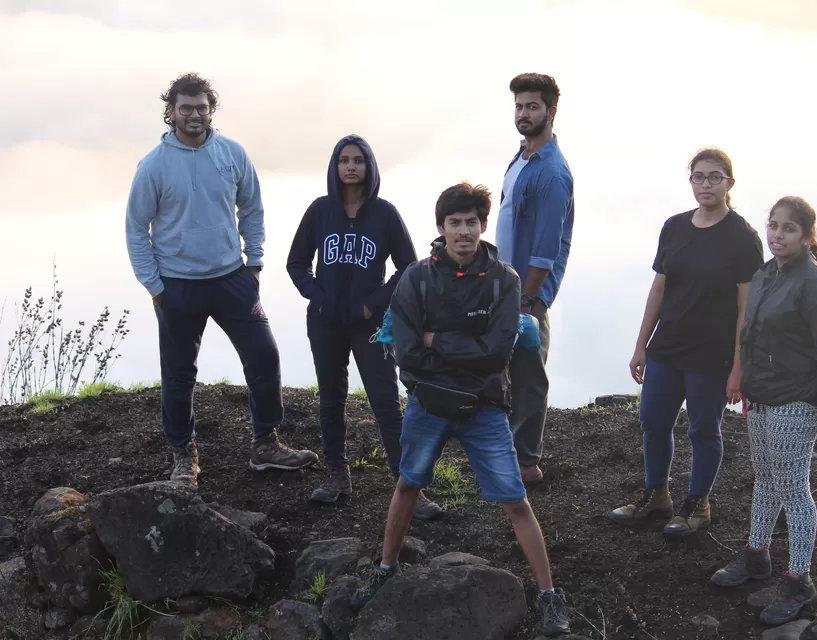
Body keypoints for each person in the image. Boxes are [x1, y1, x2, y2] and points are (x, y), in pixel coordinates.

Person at [350, 182, 570, 637]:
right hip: (428, 403)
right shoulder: (416, 278)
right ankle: (385, 568)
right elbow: (408, 353)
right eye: (455, 223)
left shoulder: (503, 281)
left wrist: (437, 341)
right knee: (407, 485)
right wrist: (459, 347)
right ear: (441, 227)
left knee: (515, 499)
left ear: (483, 226)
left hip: (484, 405)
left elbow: (496, 353)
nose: (464, 231)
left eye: (472, 222)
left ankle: (550, 596)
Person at [125, 73, 318, 485]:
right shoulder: (154, 165)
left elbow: (252, 208)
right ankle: (183, 454)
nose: (194, 115)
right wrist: (155, 286)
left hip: (233, 278)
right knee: (179, 376)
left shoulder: (231, 153)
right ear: (171, 112)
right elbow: (135, 228)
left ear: (210, 109)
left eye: (201, 107)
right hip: (177, 285)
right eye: (185, 108)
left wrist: (255, 263)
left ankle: (266, 444)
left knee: (264, 356)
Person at [710, 196, 817, 625]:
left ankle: (800, 580)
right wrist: (743, 382)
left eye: (788, 228)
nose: (777, 235)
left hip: (798, 399)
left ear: (808, 236)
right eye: (773, 226)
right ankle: (757, 554)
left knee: (793, 487)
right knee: (767, 475)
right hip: (764, 396)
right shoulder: (766, 274)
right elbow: (752, 336)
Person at [609, 147, 763, 536]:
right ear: (690, 180)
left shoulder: (743, 237)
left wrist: (738, 368)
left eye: (715, 177)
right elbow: (659, 289)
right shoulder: (674, 227)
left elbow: (747, 309)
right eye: (699, 176)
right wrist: (641, 344)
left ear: (730, 182)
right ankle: (656, 494)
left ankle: (698, 504)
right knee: (653, 422)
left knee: (703, 430)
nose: (706, 184)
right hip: (667, 347)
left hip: (710, 355)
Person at [286, 134, 442, 520]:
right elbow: (296, 263)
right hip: (325, 322)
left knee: (386, 400)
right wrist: (318, 296)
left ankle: (409, 486)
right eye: (344, 160)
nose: (351, 167)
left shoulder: (385, 214)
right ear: (335, 167)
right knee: (331, 397)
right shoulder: (320, 211)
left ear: (370, 167)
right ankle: (336, 474)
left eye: (359, 160)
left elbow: (409, 265)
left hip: (371, 325)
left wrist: (376, 301)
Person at [495, 72, 574, 485]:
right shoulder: (521, 157)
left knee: (527, 374)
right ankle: (504, 454)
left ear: (551, 112)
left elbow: (545, 251)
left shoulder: (552, 172)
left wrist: (525, 302)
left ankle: (527, 464)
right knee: (504, 369)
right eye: (519, 106)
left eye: (532, 107)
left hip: (527, 295)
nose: (524, 114)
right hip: (503, 287)